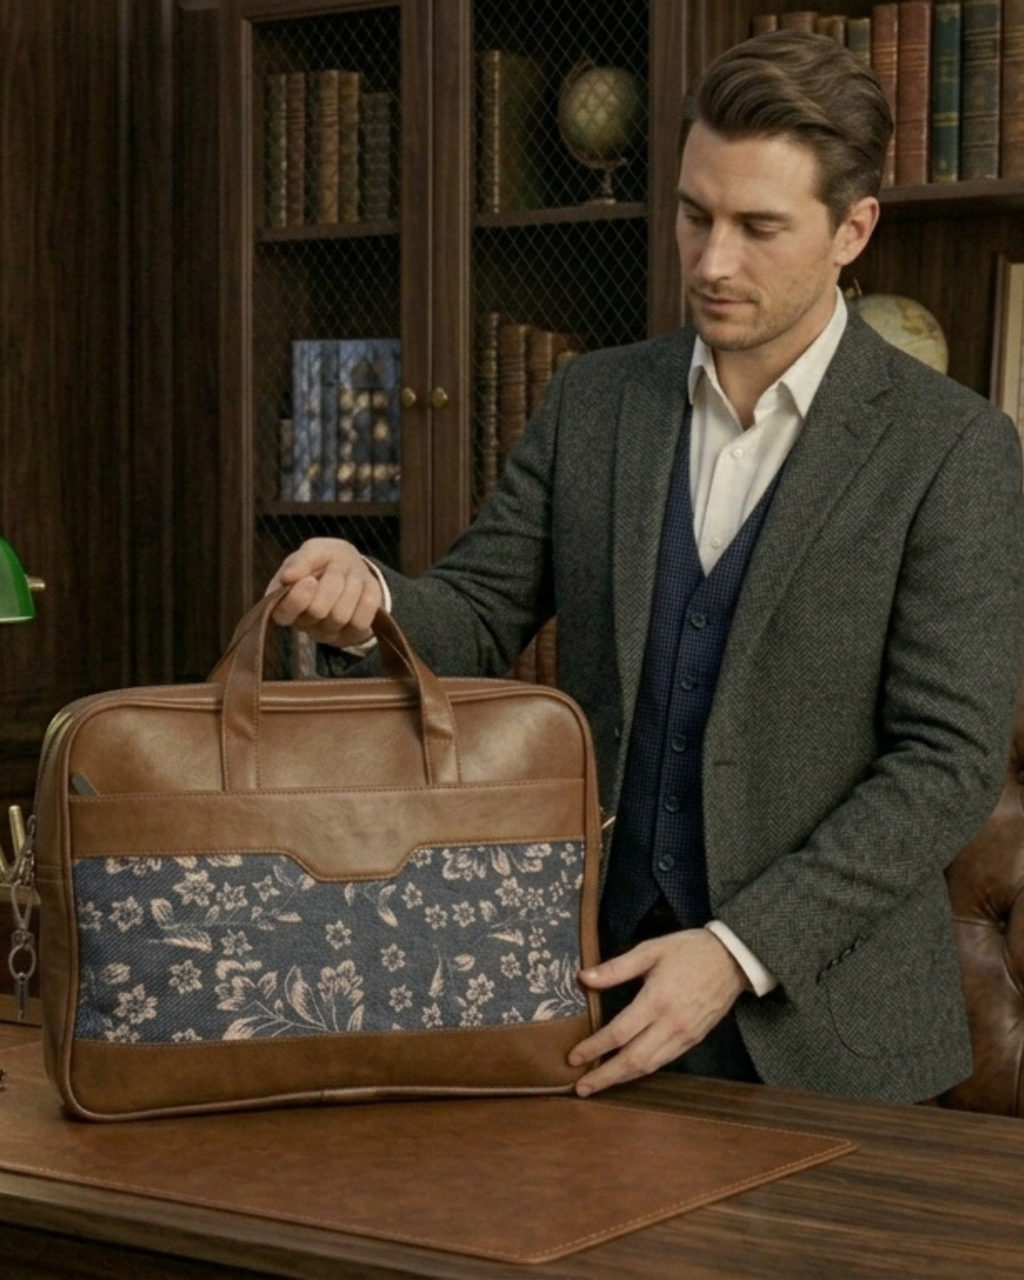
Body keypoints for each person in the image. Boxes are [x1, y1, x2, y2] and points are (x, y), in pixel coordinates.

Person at [266, 30, 1024, 1103]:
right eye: (693, 213)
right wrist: (367, 598)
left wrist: (736, 947)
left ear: (852, 228)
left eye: (760, 227)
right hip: (585, 998)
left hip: (830, 1043)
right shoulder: (594, 400)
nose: (713, 262)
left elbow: (943, 761)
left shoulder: (953, 448)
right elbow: (476, 611)